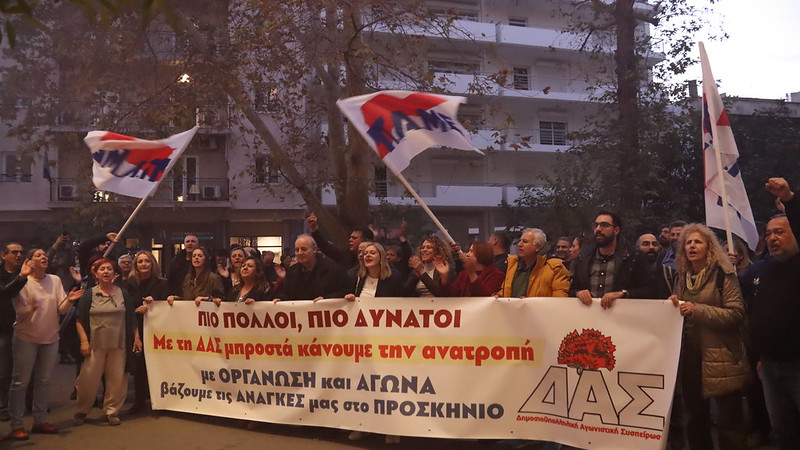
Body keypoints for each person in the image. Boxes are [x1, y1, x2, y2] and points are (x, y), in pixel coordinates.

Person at [669, 223, 749, 450]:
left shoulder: (724, 275)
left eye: (698, 242)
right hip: (691, 358)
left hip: (721, 357)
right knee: (695, 418)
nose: (692, 246)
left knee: (729, 422)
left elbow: (736, 314)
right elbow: (681, 311)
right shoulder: (682, 277)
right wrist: (672, 305)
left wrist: (697, 310)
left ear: (709, 247)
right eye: (688, 242)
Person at [7, 249, 83, 440]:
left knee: (44, 380)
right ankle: (17, 424)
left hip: (50, 337)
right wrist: (30, 309)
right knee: (20, 381)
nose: (44, 257)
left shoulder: (54, 280)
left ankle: (40, 420)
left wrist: (69, 301)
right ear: (29, 261)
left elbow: (60, 309)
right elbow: (19, 312)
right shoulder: (22, 282)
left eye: (44, 255)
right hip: (26, 337)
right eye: (38, 255)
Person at [748, 177, 800, 450]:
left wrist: (789, 199)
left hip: (797, 365)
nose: (771, 238)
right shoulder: (765, 269)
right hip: (769, 366)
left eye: (779, 232)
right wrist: (760, 357)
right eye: (768, 234)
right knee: (782, 431)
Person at [342, 242, 403, 444]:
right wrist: (350, 298)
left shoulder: (394, 278)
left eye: (372, 252)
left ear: (381, 257)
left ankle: (392, 429)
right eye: (365, 253)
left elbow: (403, 306)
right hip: (362, 340)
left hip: (386, 340)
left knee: (387, 386)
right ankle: (363, 425)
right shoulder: (358, 278)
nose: (367, 255)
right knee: (364, 385)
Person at [74, 258, 140, 427]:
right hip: (95, 344)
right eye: (102, 269)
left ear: (114, 274)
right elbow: (79, 319)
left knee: (117, 379)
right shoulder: (89, 294)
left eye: (109, 269)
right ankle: (82, 409)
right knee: (88, 378)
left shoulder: (122, 293)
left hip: (119, 344)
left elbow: (131, 317)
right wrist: (84, 341)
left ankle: (112, 411)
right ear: (96, 274)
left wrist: (136, 338)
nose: (106, 272)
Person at [570, 210, 653, 308]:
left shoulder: (633, 257)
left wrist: (623, 293)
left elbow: (649, 290)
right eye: (596, 225)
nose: (598, 229)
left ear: (616, 230)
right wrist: (578, 293)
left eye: (604, 225)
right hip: (589, 313)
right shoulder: (583, 258)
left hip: (623, 314)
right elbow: (572, 289)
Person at [126, 250, 168, 414]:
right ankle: (140, 400)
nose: (144, 264)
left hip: (158, 330)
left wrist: (158, 302)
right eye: (140, 261)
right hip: (137, 329)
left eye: (147, 261)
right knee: (139, 366)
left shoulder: (162, 283)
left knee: (158, 365)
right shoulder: (129, 284)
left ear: (152, 264)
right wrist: (136, 310)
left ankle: (159, 400)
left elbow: (167, 305)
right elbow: (126, 306)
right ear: (136, 265)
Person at [0, 242, 29, 422]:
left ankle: (27, 401)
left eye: (21, 252)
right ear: (4, 255)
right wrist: (21, 278)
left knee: (26, 368)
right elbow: (4, 292)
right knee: (5, 370)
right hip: (4, 329)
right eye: (14, 252)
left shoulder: (26, 273)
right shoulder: (6, 275)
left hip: (26, 329)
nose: (18, 255)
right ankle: (3, 406)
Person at [496, 229, 570, 298]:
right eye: (520, 241)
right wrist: (499, 296)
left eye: (525, 241)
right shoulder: (512, 264)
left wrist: (530, 303)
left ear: (538, 247)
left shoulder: (555, 268)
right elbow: (505, 290)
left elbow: (559, 299)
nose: (519, 244)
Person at [274, 235, 348, 302]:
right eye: (297, 250)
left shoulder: (332, 268)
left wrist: (326, 299)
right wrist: (280, 299)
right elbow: (286, 293)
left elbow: (344, 291)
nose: (300, 253)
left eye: (303, 249)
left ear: (314, 249)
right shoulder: (292, 271)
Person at [307, 214, 374, 271]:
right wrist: (314, 230)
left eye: (354, 238)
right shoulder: (345, 256)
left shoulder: (374, 260)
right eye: (350, 237)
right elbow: (326, 247)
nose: (350, 240)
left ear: (365, 240)